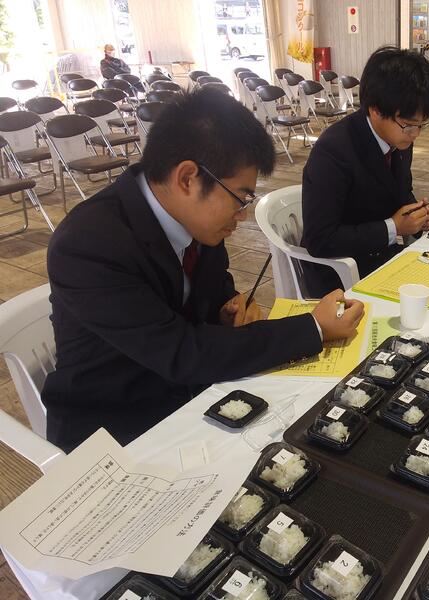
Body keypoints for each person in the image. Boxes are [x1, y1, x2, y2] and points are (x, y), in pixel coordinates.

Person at [43, 88, 364, 452]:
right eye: (240, 198)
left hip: (193, 396)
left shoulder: (194, 219)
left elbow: (212, 290)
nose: (242, 216)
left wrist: (227, 307)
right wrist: (314, 327)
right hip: (116, 428)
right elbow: (182, 353)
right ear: (187, 178)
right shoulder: (88, 244)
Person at [301, 46, 429, 297]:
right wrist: (393, 227)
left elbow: (399, 192)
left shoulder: (399, 139)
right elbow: (320, 239)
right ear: (375, 109)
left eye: (422, 124)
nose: (416, 134)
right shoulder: (334, 150)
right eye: (409, 125)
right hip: (339, 275)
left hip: (382, 257)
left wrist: (416, 216)